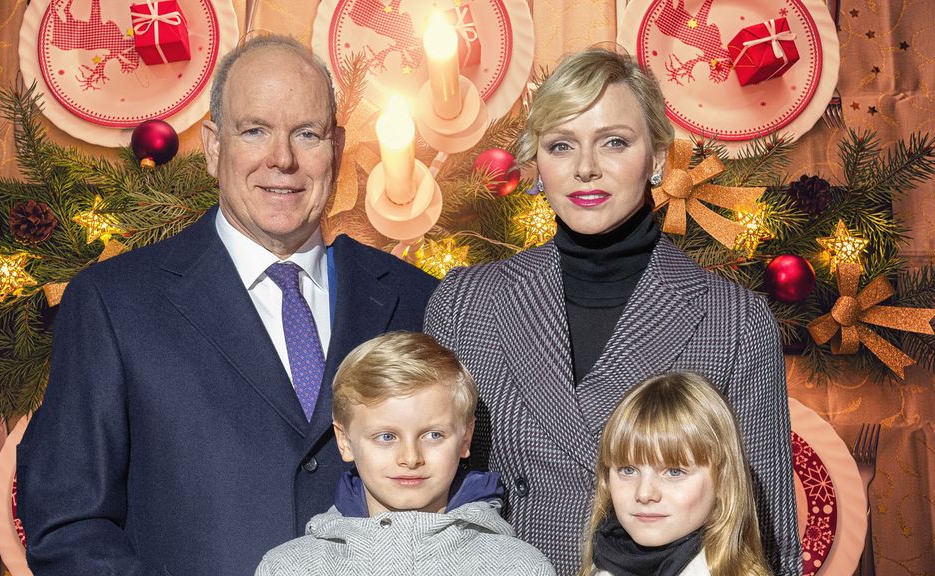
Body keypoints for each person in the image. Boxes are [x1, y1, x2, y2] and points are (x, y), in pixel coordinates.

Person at [16, 36, 438, 576]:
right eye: (255, 130)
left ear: (336, 145)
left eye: (306, 134)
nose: (282, 159)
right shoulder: (114, 304)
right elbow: (66, 525)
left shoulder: (417, 299)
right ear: (214, 145)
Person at [425, 47, 799, 576]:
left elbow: (767, 537)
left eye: (614, 142)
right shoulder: (468, 304)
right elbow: (423, 499)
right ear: (537, 163)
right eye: (561, 146)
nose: (585, 169)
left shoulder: (733, 320)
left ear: (660, 157)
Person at [254, 331, 555, 576]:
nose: (410, 458)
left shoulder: (518, 566)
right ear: (344, 440)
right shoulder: (288, 567)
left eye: (433, 435)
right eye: (386, 437)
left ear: (466, 438)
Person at [580, 372, 771, 576]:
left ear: (723, 482)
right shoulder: (598, 565)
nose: (644, 493)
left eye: (674, 472)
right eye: (628, 470)